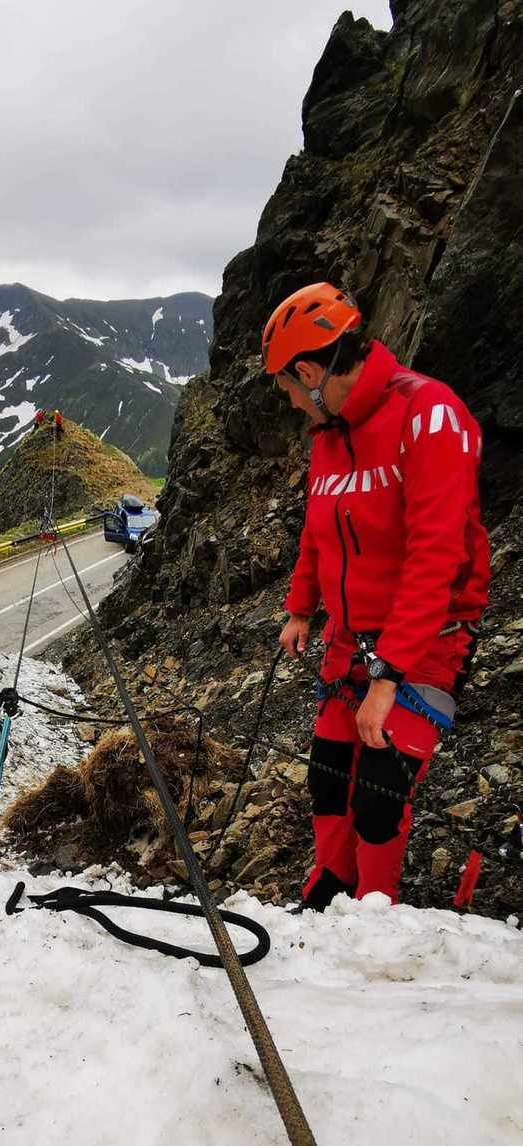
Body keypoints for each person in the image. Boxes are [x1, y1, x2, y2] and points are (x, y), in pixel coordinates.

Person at [262, 282, 489, 910]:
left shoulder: (429, 413)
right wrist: (300, 606)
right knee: (328, 778)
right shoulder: (331, 437)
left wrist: (388, 678)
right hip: (350, 633)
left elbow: (436, 554)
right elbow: (318, 529)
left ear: (310, 372)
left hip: (430, 637)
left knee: (379, 791)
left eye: (288, 391)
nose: (291, 405)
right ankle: (329, 890)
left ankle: (374, 915)